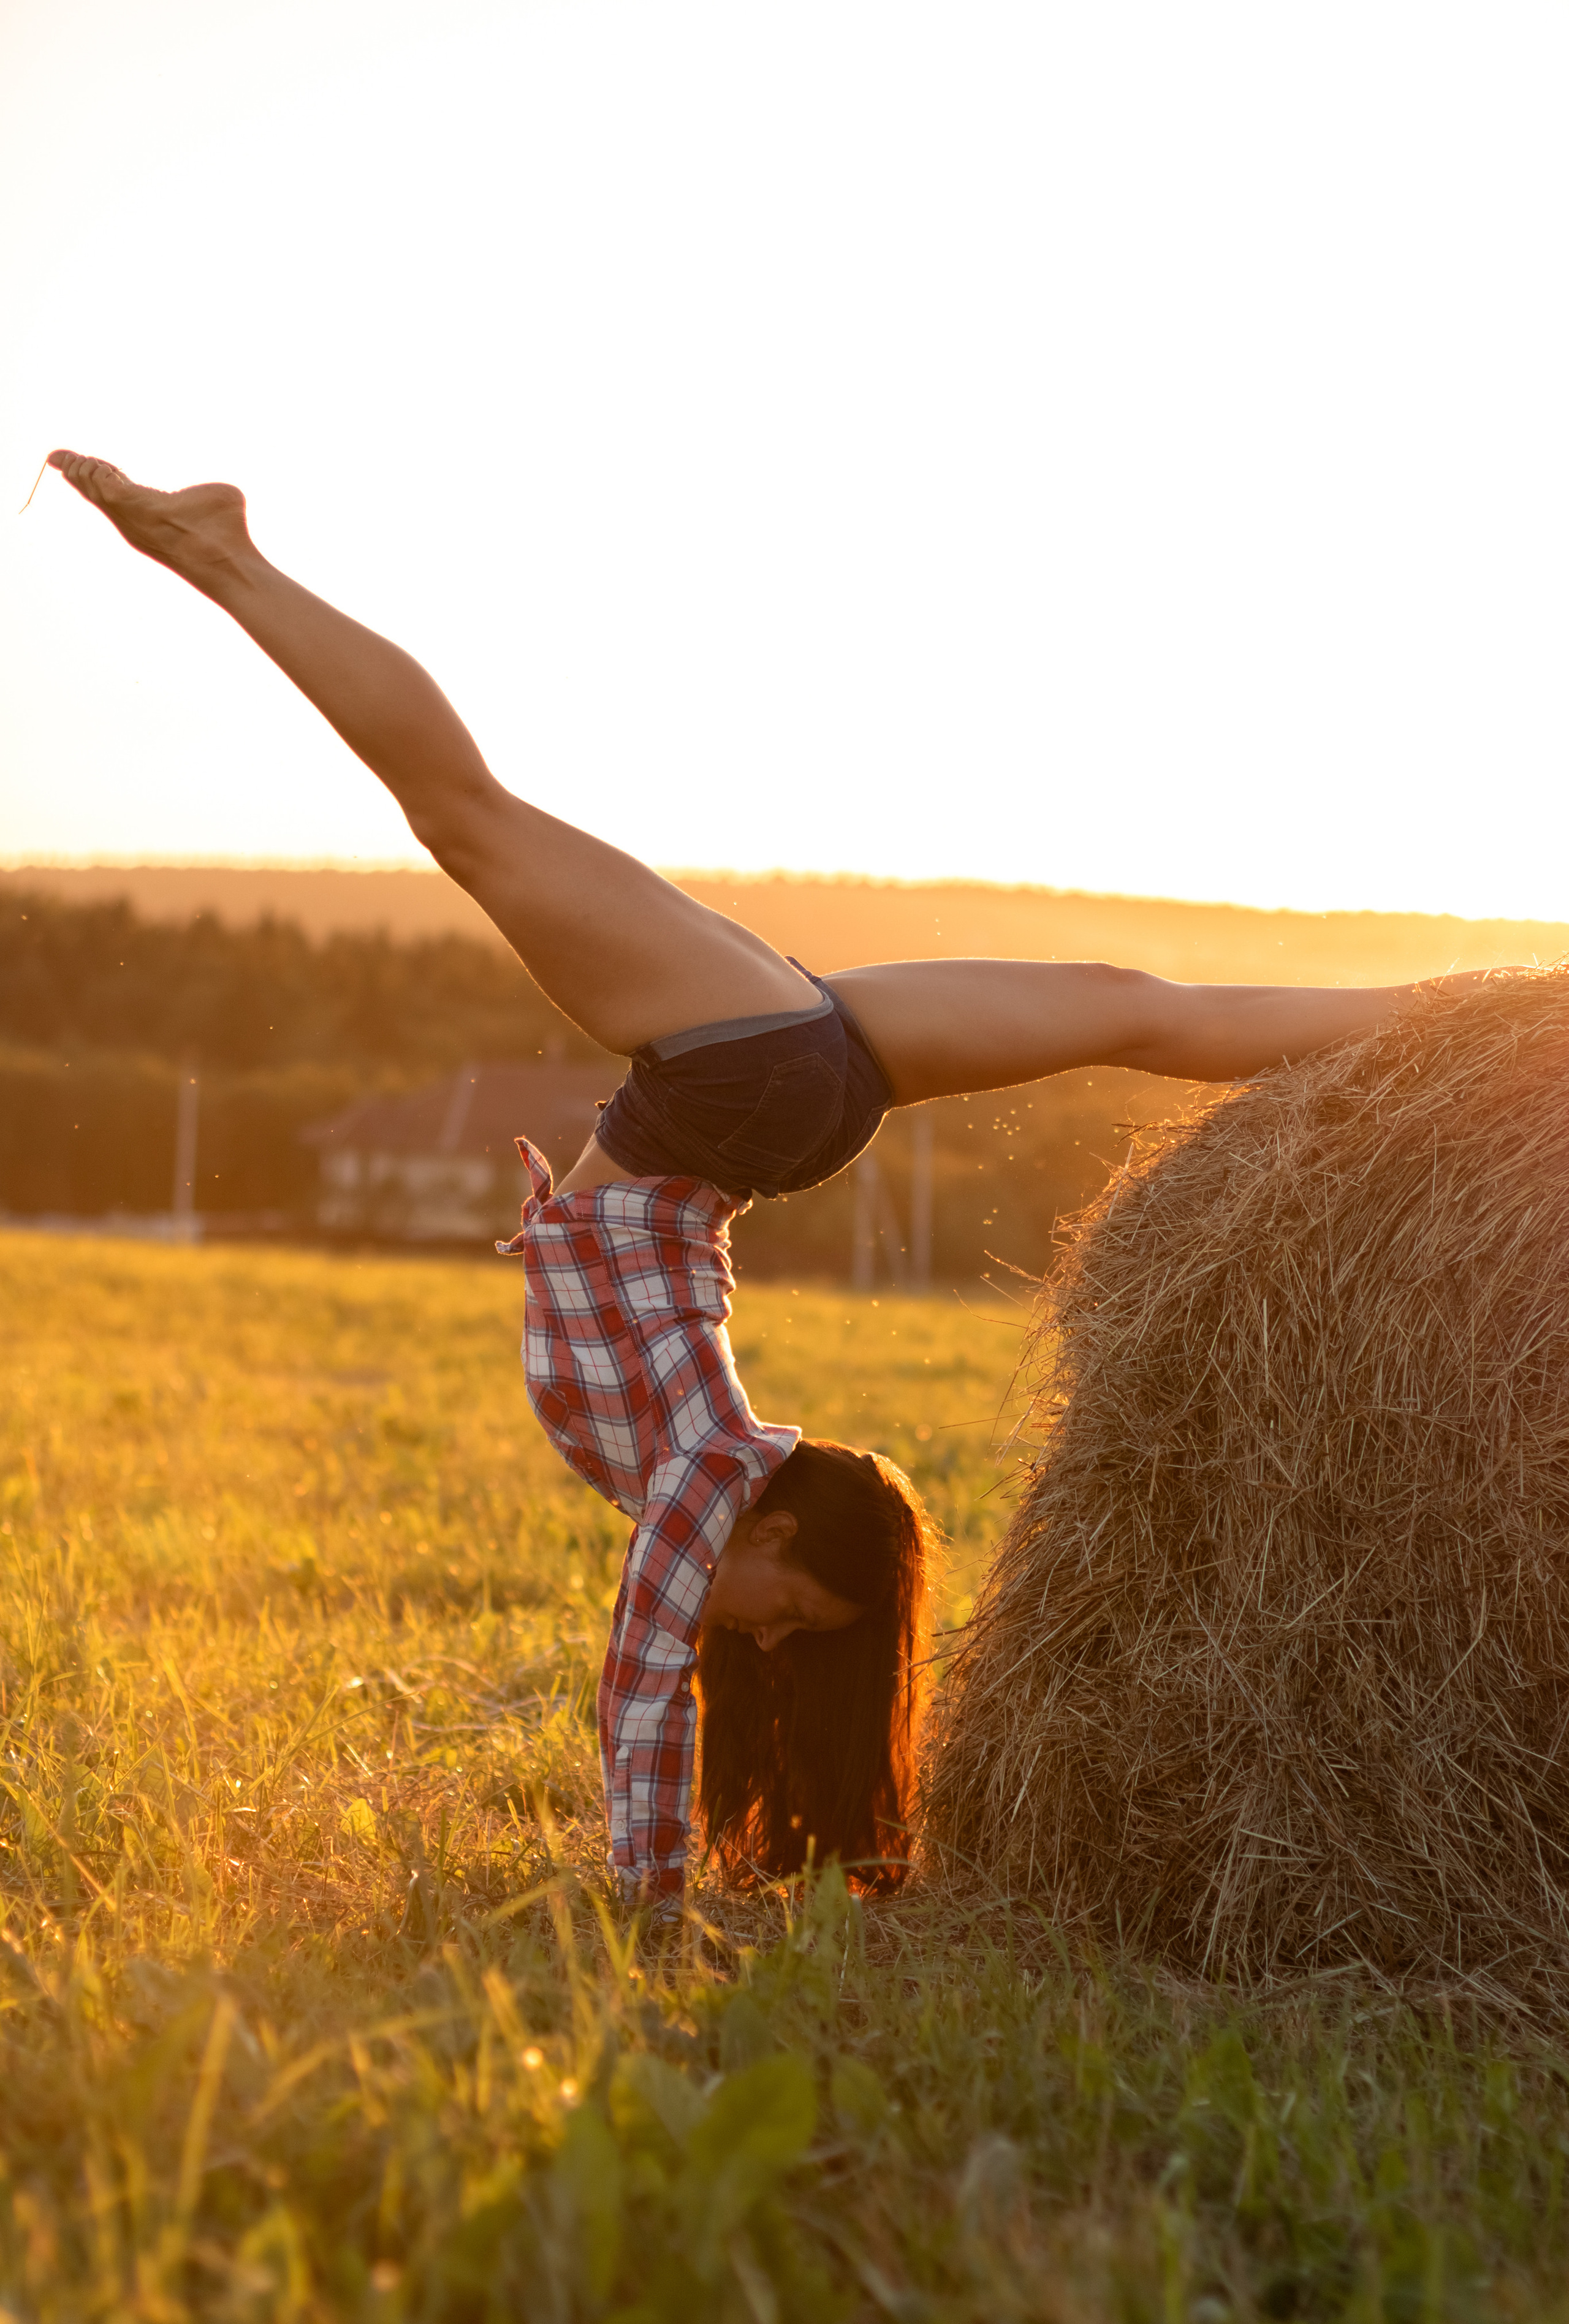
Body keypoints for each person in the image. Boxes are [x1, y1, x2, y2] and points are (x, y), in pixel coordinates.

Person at [42, 450, 1486, 1908]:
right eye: (797, 1613)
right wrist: (647, 1909)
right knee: (463, 814)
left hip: (784, 1104)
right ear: (778, 1531)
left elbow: (654, 1602)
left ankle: (1477, 1009)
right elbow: (640, 1688)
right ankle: (225, 557)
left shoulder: (705, 1460)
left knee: (1137, 1005)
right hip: (739, 1090)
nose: (773, 1643)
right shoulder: (706, 1479)